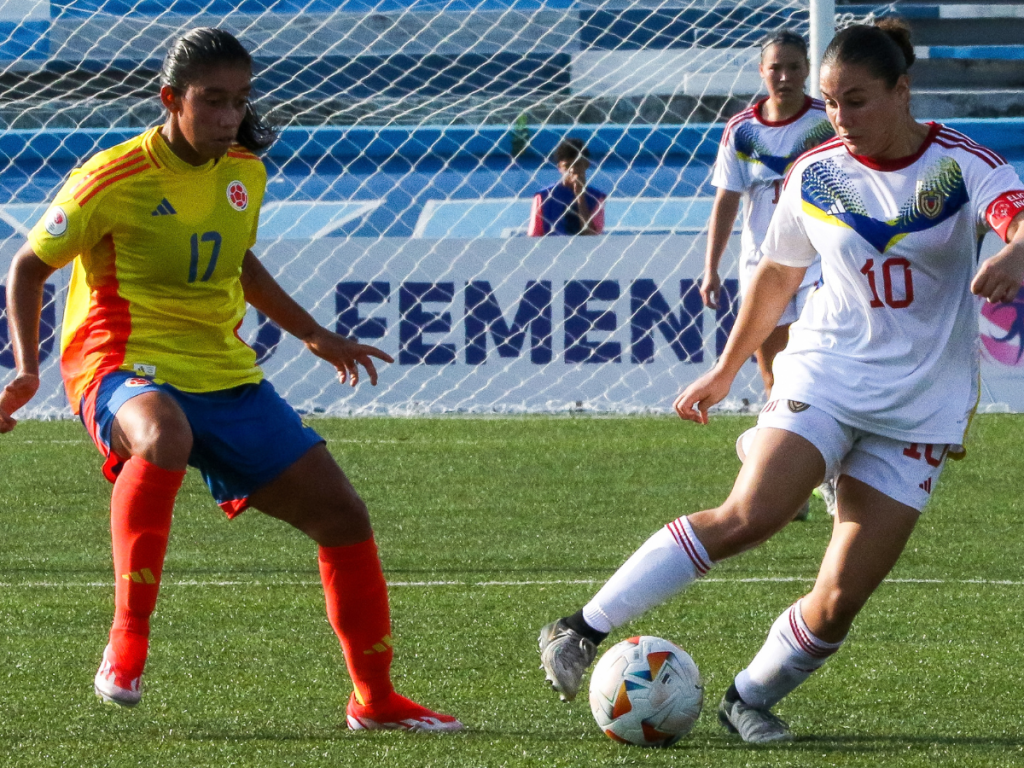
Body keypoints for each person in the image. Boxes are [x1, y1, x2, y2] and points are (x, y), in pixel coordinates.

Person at [537, 18, 1024, 744]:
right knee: (753, 514)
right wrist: (725, 370)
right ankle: (579, 627)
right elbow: (776, 275)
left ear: (902, 90)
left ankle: (746, 698)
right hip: (824, 371)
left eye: (857, 101)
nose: (840, 118)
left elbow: (1018, 219)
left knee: (837, 602)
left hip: (919, 406)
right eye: (831, 102)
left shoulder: (959, 165)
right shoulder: (816, 171)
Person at [0, 28, 462, 733]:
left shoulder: (245, 167)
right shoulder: (110, 178)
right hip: (118, 361)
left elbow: (240, 263)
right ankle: (126, 640)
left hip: (222, 370)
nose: (227, 116)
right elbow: (29, 267)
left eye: (239, 101)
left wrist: (314, 333)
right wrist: (28, 369)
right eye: (212, 101)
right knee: (163, 434)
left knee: (343, 516)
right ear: (170, 99)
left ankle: (374, 700)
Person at [706, 30, 836, 521]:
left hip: (824, 262)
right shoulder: (742, 130)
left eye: (793, 66)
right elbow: (726, 200)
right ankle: (790, 486)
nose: (784, 76)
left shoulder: (828, 121)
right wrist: (710, 267)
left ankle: (828, 477)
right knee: (774, 376)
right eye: (775, 67)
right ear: (761, 72)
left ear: (809, 70)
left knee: (822, 371)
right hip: (767, 269)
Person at [527, 138, 606, 236]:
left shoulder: (597, 198)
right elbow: (534, 235)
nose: (572, 170)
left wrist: (580, 195)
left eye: (577, 164)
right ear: (559, 167)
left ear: (586, 164)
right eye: (567, 166)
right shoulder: (543, 197)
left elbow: (591, 235)